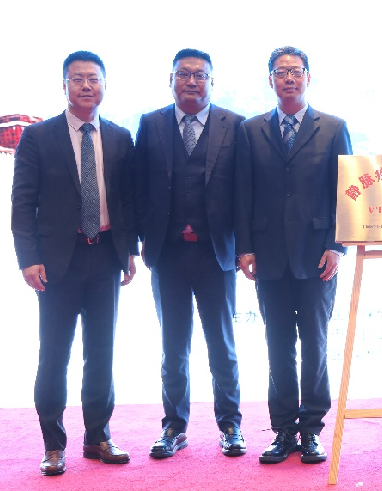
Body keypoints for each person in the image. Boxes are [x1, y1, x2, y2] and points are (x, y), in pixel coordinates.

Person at [11, 50, 138, 476]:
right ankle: (53, 445)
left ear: (104, 85)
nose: (87, 85)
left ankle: (97, 436)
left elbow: (126, 201)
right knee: (54, 355)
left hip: (105, 256)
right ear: (64, 85)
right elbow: (23, 203)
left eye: (94, 78)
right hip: (56, 263)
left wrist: (129, 251)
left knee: (101, 354)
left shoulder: (119, 137)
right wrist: (28, 259)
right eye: (78, 78)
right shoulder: (38, 137)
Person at [235, 46, 352, 465]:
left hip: (318, 255)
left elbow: (346, 191)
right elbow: (242, 192)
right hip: (268, 255)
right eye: (281, 72)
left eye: (296, 71)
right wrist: (244, 247)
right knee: (278, 344)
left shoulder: (333, 128)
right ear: (270, 80)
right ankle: (284, 430)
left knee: (315, 345)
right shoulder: (250, 130)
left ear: (308, 77)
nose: (289, 78)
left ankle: (312, 430)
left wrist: (336, 245)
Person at [134, 49, 246, 459]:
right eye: (184, 74)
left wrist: (245, 247)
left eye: (200, 75)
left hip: (217, 255)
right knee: (173, 348)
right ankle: (173, 426)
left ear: (212, 82)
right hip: (168, 256)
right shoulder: (151, 124)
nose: (192, 81)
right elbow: (137, 188)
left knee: (222, 346)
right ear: (171, 80)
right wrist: (139, 241)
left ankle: (230, 425)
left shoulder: (234, 124)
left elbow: (244, 192)